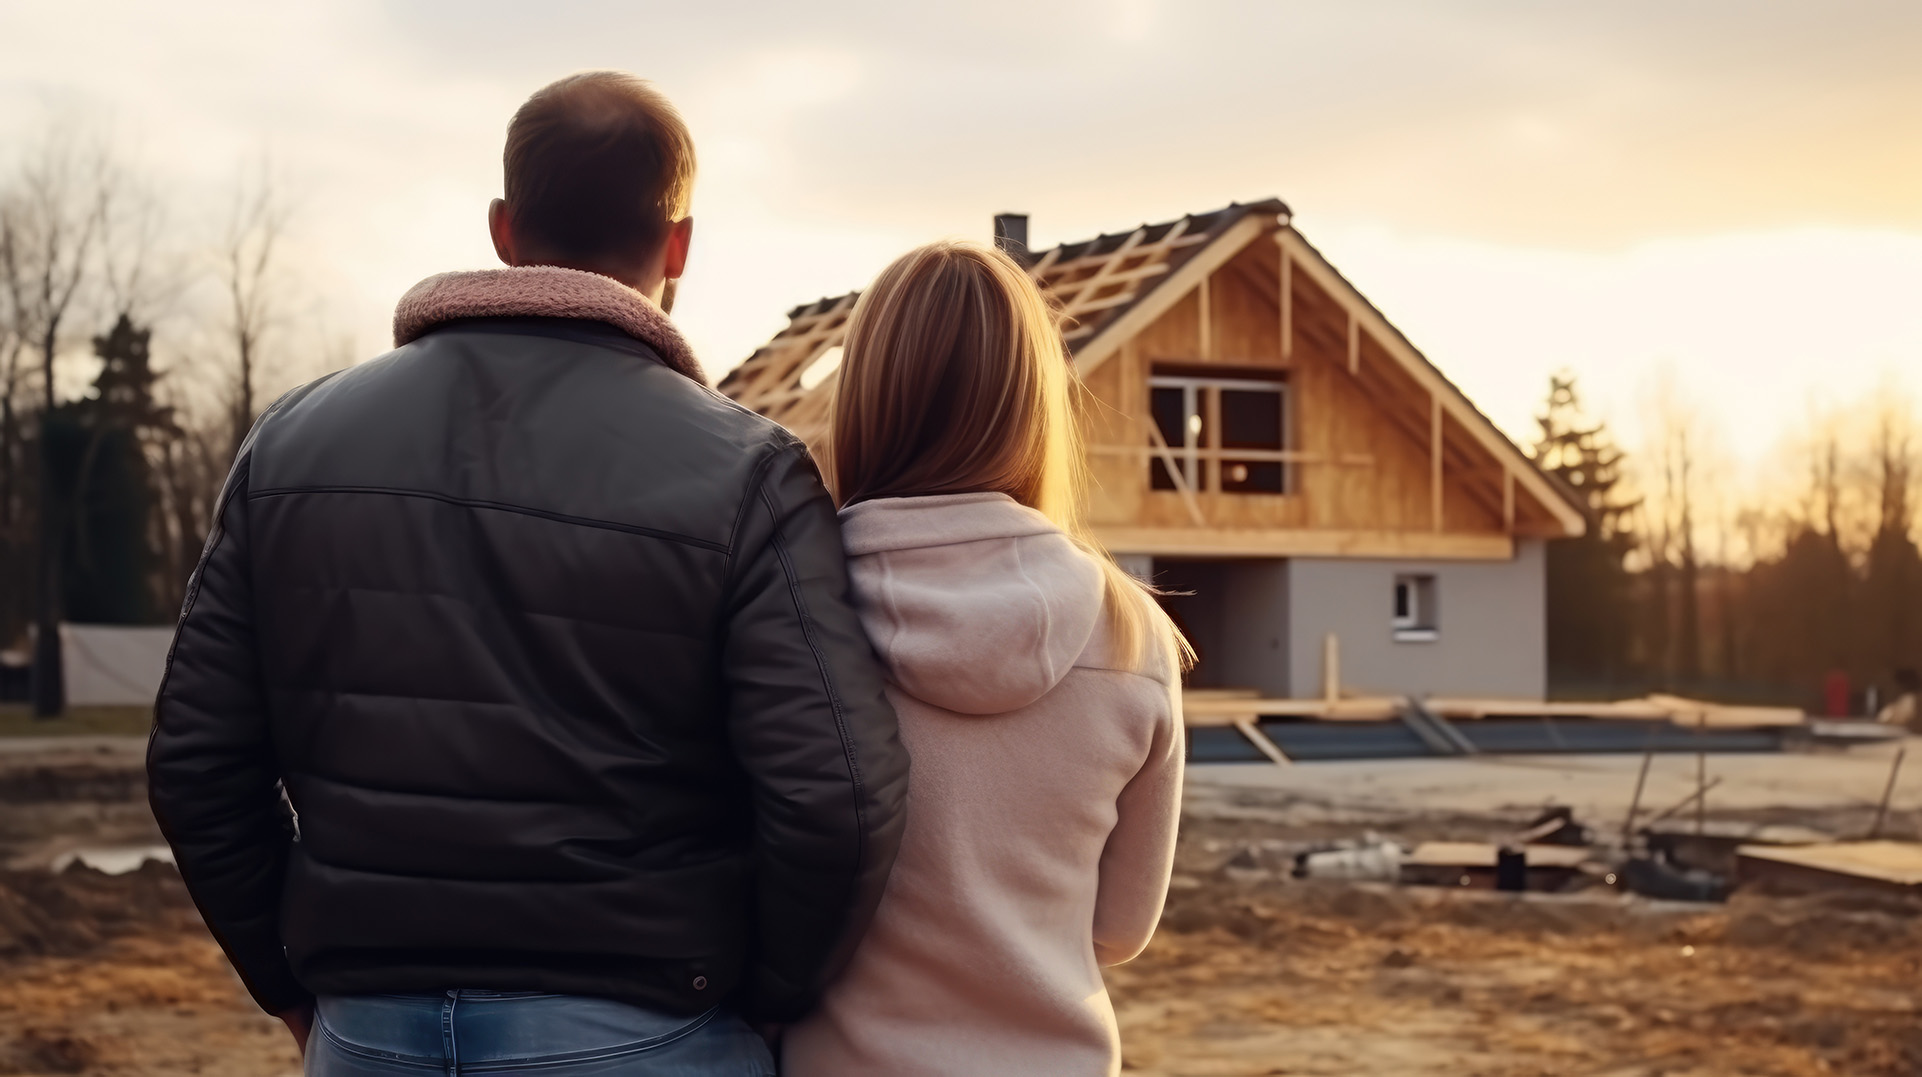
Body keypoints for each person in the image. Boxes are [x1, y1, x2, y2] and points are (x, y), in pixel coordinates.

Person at [146, 72, 908, 1076]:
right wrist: (764, 993)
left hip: (369, 1031)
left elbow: (196, 763)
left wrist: (293, 987)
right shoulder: (748, 472)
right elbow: (835, 799)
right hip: (648, 1029)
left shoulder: (290, 444)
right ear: (679, 244)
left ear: (505, 228)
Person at [782, 241, 1190, 1076]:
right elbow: (1121, 927)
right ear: (1035, 404)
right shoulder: (1132, 632)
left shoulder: (791, 609)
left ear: (867, 396)